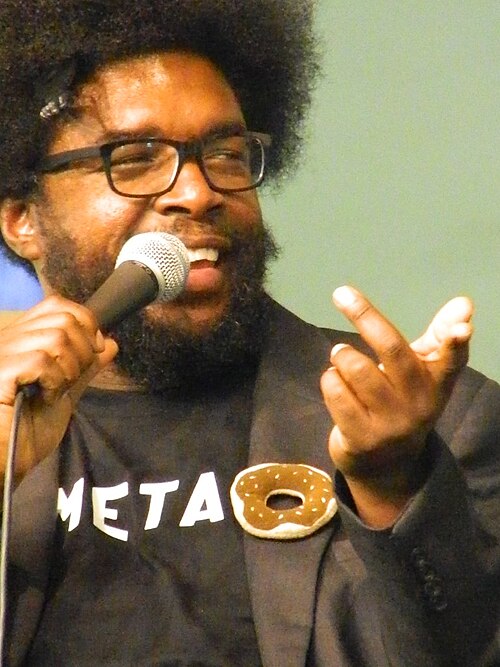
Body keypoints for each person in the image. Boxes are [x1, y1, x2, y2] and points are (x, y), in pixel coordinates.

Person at [0, 1, 498, 665]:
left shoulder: (429, 425)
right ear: (20, 220)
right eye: (137, 157)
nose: (199, 191)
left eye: (226, 154)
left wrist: (392, 488)